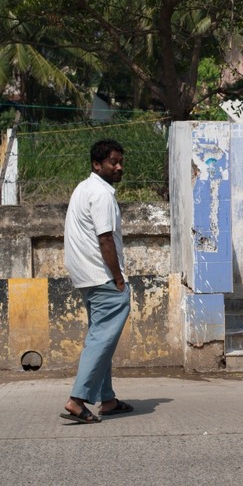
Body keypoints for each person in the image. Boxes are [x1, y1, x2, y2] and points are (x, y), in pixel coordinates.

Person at [60, 139, 134, 424]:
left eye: (120, 162)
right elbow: (105, 239)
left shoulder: (83, 188)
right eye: (113, 162)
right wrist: (118, 279)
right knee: (101, 339)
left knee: (102, 337)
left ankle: (108, 400)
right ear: (97, 164)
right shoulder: (102, 194)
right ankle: (77, 400)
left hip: (86, 277)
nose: (119, 167)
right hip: (103, 277)